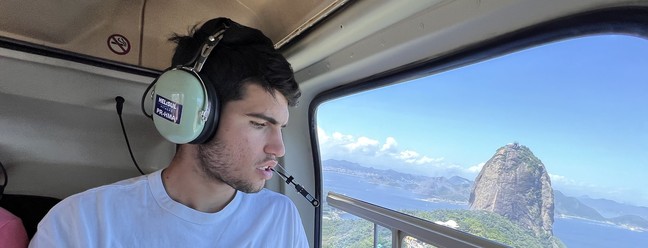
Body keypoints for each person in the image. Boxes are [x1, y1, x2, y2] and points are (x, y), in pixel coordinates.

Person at [29, 17, 308, 247]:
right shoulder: (81, 222)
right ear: (192, 116)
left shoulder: (280, 217)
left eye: (280, 128)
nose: (278, 148)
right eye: (259, 124)